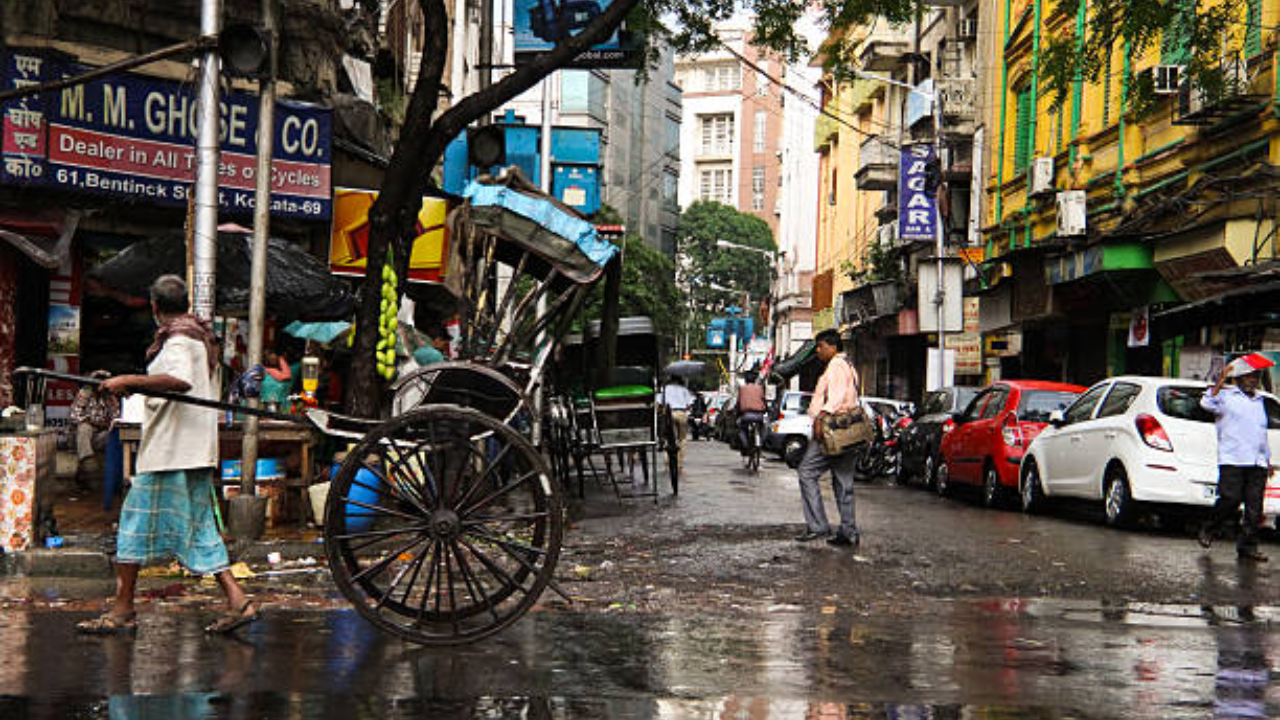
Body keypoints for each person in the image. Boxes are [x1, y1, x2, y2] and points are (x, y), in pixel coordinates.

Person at [79, 274, 259, 635]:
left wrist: (127, 380)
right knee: (199, 529)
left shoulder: (179, 339)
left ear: (154, 306)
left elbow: (179, 381)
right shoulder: (197, 336)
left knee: (131, 526)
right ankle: (239, 601)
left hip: (171, 452)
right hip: (190, 450)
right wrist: (137, 387)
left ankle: (122, 610)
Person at [1198, 355, 1275, 562]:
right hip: (1233, 458)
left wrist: (1267, 460)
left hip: (1256, 461)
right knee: (1230, 499)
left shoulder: (1260, 399)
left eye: (1256, 376)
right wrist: (1223, 376)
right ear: (1239, 378)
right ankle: (1210, 528)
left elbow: (1260, 432)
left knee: (1254, 507)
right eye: (1249, 376)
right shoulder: (1225, 395)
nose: (1253, 380)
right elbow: (1206, 403)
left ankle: (1248, 546)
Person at [795, 329, 863, 548]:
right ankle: (848, 531)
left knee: (807, 472)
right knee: (843, 482)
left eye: (821, 346)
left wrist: (820, 419)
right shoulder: (849, 366)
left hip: (831, 430)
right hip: (848, 430)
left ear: (832, 347)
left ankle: (818, 526)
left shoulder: (835, 366)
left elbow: (834, 399)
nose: (818, 350)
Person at [70, 369, 121, 489]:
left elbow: (115, 419)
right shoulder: (85, 393)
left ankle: (83, 469)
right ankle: (88, 464)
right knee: (84, 428)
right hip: (82, 437)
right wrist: (98, 424)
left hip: (99, 437)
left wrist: (112, 402)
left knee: (114, 433)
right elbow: (76, 417)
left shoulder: (110, 396)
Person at [661, 375, 695, 473]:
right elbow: (690, 403)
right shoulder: (684, 389)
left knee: (668, 437)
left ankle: (668, 462)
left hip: (669, 413)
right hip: (681, 413)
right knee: (682, 439)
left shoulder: (666, 389)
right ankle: (679, 463)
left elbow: (660, 402)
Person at [736, 371, 767, 455]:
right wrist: (765, 410)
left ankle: (745, 445)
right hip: (759, 415)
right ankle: (761, 443)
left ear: (746, 380)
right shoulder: (760, 388)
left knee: (741, 429)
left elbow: (738, 403)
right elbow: (764, 401)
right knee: (764, 428)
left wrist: (738, 413)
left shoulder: (742, 388)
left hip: (746, 415)